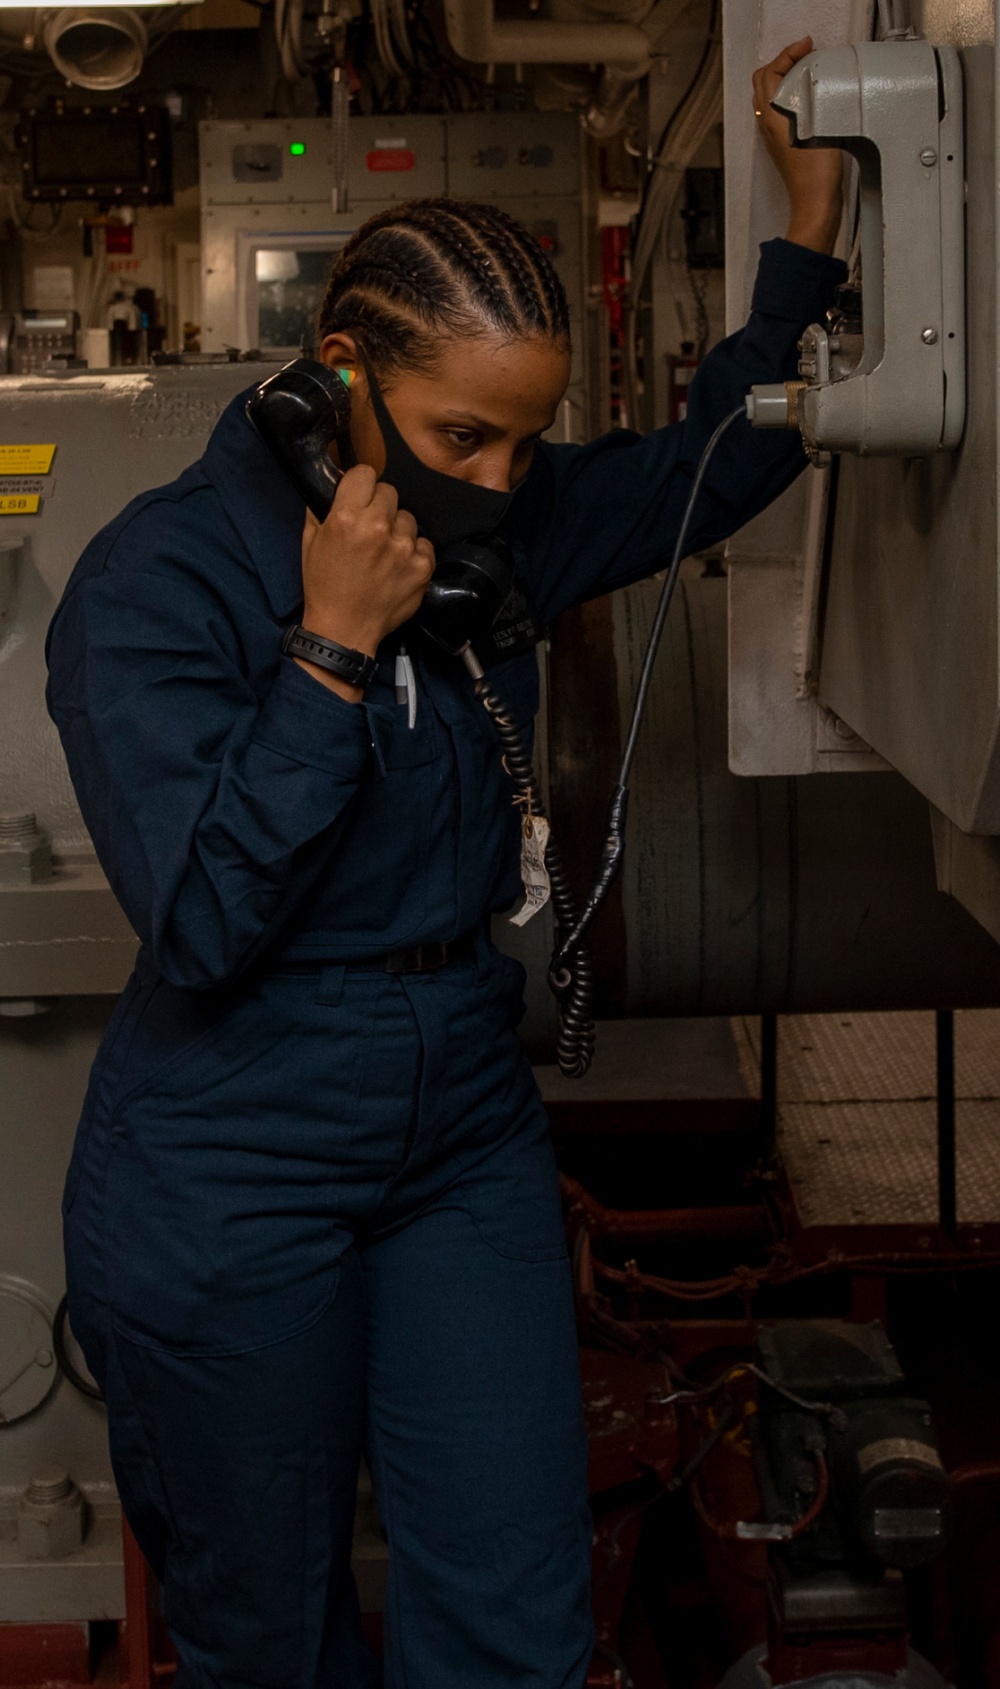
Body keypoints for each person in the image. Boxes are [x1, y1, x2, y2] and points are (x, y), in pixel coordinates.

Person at [46, 37, 845, 1689]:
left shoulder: (500, 519)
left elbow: (711, 463)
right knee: (264, 1630)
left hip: (460, 1111)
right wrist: (330, 654)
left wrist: (811, 233)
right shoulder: (159, 583)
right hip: (234, 1138)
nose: (498, 488)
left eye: (522, 444)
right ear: (339, 374)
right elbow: (201, 922)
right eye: (460, 438)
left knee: (515, 1605)